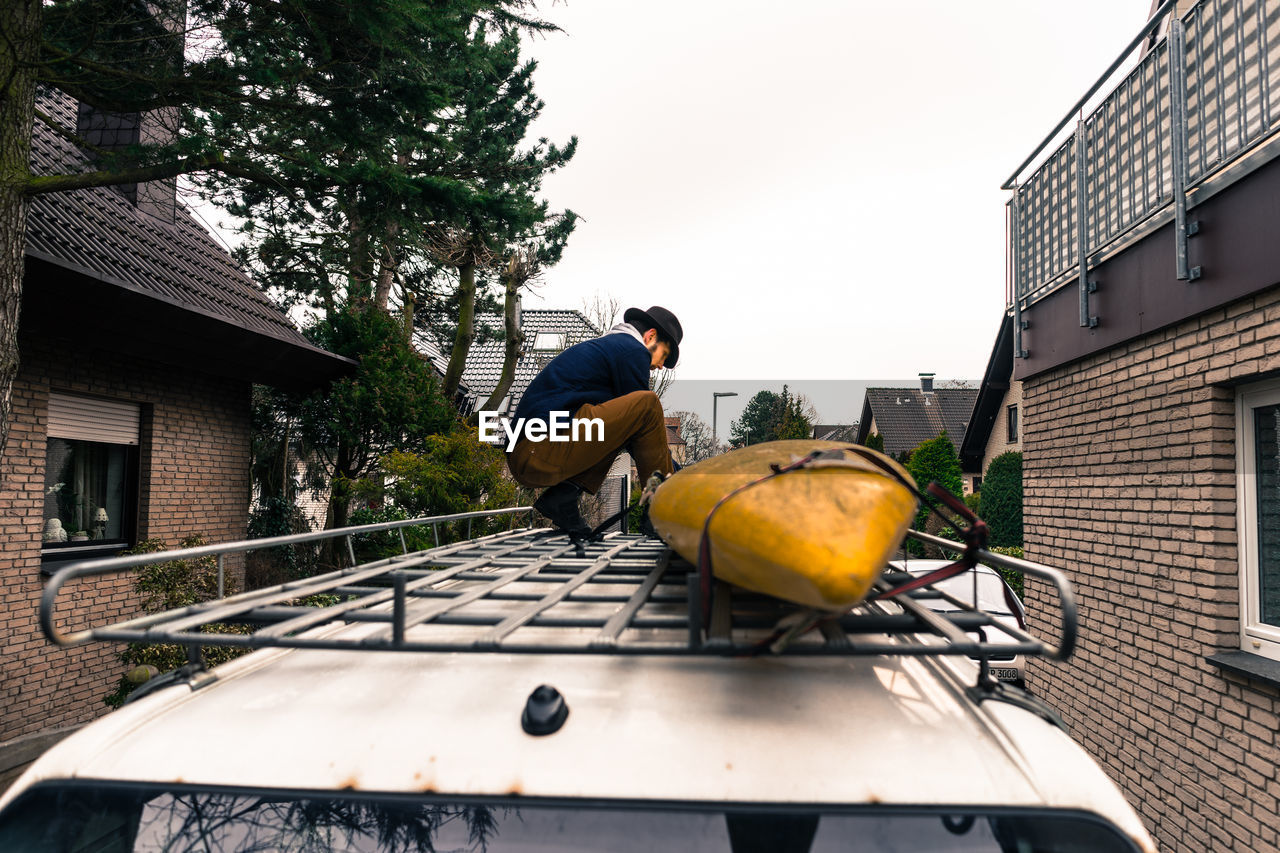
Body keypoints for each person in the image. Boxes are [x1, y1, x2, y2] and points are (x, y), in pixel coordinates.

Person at [507, 305, 683, 536]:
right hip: (537, 447)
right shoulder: (631, 351)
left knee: (619, 424)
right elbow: (645, 430)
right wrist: (678, 478)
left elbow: (631, 433)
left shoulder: (611, 349)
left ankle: (564, 498)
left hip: (530, 450)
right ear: (650, 337)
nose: (660, 366)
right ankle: (661, 510)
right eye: (664, 356)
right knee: (647, 404)